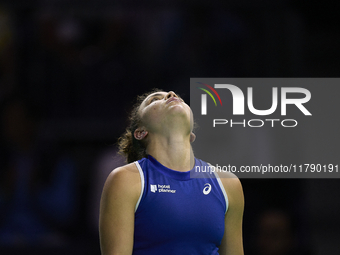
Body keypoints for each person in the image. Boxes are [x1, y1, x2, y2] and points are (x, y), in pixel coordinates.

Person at [99, 89, 244, 255]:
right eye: (154, 100)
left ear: (191, 134)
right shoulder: (125, 180)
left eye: (178, 97)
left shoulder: (228, 183)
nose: (171, 94)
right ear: (140, 132)